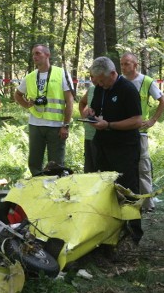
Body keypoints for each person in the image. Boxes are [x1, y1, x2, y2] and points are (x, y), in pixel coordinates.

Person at [84, 56, 142, 193]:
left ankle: (130, 215)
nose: (100, 84)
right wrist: (91, 114)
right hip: (102, 146)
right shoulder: (99, 88)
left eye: (102, 80)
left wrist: (109, 125)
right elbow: (95, 108)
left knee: (126, 188)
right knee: (105, 187)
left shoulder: (127, 89)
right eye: (98, 81)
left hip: (124, 149)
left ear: (112, 73)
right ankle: (109, 214)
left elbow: (137, 121)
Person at [14, 44, 74, 176]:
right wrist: (26, 105)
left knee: (56, 164)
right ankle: (37, 188)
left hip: (56, 126)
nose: (35, 57)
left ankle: (56, 190)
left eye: (38, 53)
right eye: (33, 54)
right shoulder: (30, 77)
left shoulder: (61, 73)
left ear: (47, 55)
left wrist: (66, 125)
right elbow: (17, 95)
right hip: (36, 125)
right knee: (34, 163)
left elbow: (69, 101)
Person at [120, 52, 164, 211]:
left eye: (127, 63)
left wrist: (152, 120)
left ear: (135, 65)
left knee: (143, 167)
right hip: (121, 130)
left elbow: (163, 100)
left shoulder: (146, 81)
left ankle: (148, 204)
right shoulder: (118, 82)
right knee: (124, 167)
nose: (124, 66)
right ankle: (127, 201)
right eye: (122, 64)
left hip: (140, 132)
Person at [78, 76, 98, 173]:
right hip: (89, 135)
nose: (93, 79)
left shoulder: (111, 90)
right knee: (89, 170)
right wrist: (83, 114)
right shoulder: (91, 89)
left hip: (104, 137)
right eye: (91, 76)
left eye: (95, 76)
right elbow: (82, 102)